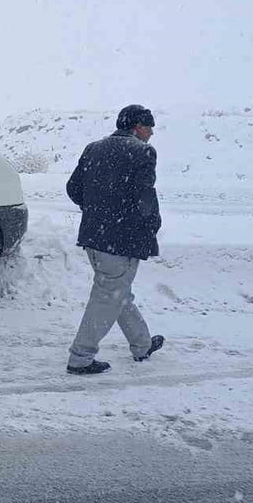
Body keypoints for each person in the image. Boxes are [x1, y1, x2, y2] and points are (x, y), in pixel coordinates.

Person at [64, 104, 166, 375]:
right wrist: (151, 225)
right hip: (122, 239)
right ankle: (80, 357)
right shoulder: (142, 152)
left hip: (93, 238)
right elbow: (146, 197)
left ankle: (142, 344)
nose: (152, 132)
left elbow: (73, 189)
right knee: (107, 296)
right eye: (149, 126)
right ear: (136, 126)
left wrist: (98, 212)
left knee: (116, 292)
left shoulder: (93, 148)